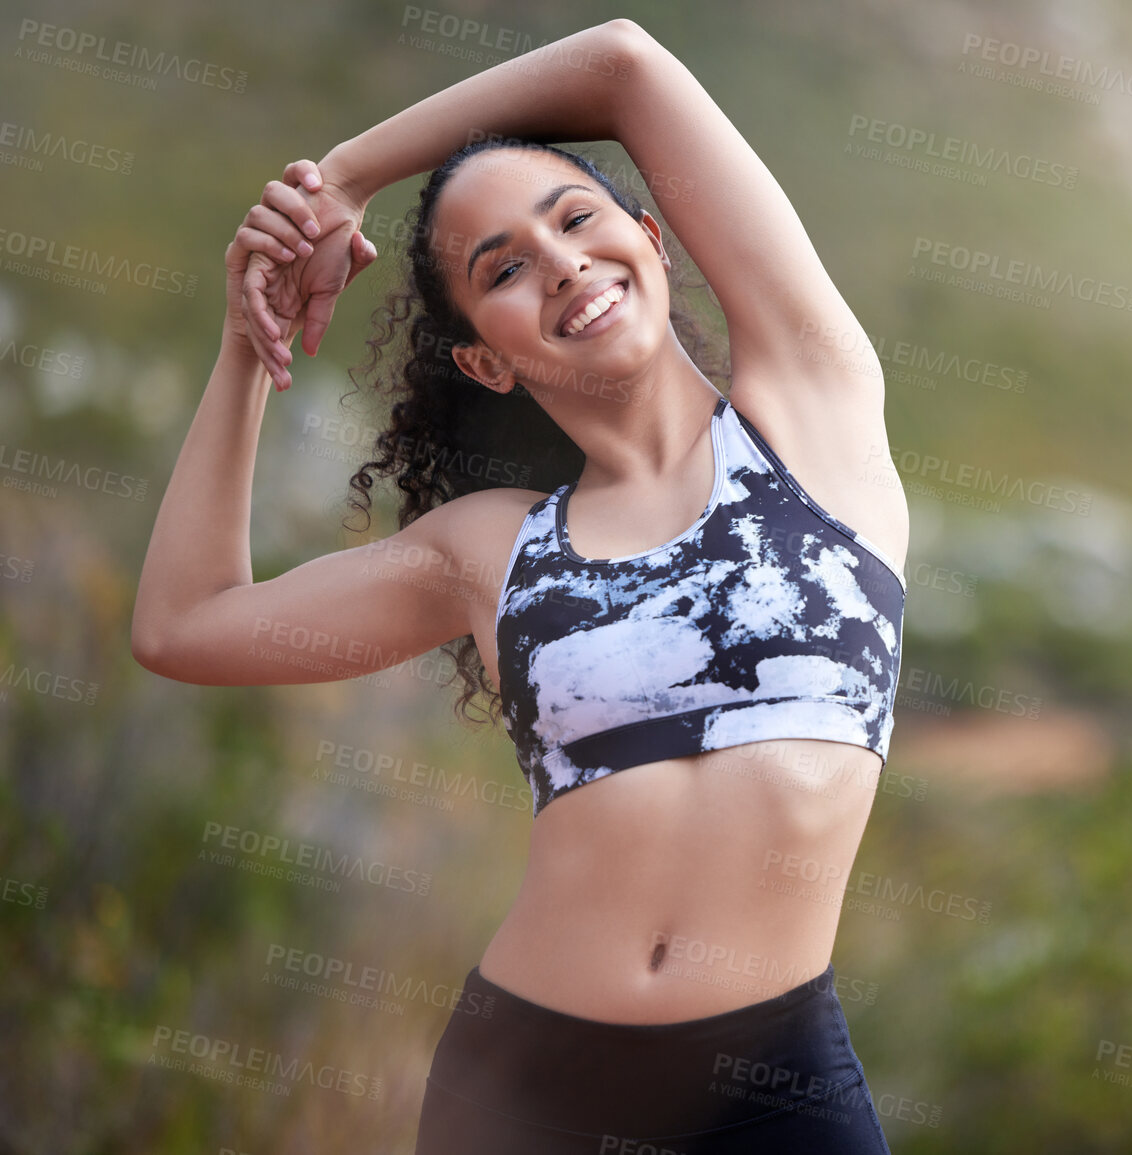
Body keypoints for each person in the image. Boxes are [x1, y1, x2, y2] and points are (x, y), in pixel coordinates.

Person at [131, 18, 907, 1153]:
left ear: (651, 234)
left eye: (576, 218)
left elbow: (625, 64)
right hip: (529, 1093)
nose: (558, 262)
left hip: (774, 1087)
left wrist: (343, 174)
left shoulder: (813, 416)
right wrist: (251, 338)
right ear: (486, 360)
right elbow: (184, 625)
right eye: (501, 268)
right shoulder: (489, 550)